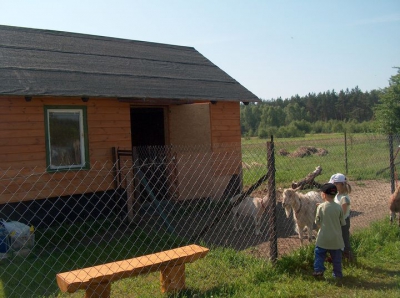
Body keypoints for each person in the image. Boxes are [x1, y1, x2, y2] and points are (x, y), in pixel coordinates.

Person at [313, 183, 346, 278]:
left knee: (319, 254)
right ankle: (337, 274)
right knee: (336, 258)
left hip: (323, 238)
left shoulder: (320, 207)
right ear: (335, 194)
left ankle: (318, 271)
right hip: (336, 239)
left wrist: (320, 207)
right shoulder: (339, 207)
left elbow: (317, 222)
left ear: (323, 194)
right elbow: (342, 222)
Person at [329, 173, 354, 262]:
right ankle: (337, 257)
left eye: (336, 184)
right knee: (337, 239)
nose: (334, 185)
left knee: (344, 239)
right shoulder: (337, 195)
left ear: (342, 185)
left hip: (343, 222)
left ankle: (349, 258)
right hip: (337, 221)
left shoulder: (344, 198)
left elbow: (342, 212)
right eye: (334, 184)